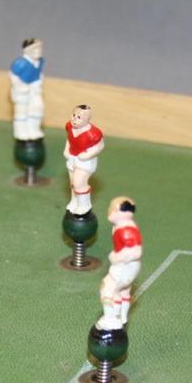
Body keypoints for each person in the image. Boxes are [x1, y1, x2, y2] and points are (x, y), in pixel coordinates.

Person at [96, 198, 142, 330]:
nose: (109, 210)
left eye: (112, 208)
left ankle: (112, 321)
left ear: (121, 212)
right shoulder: (124, 226)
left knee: (108, 289)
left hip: (124, 267)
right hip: (130, 268)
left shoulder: (125, 231)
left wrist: (115, 257)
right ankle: (122, 317)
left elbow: (135, 252)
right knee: (123, 291)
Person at [63, 105, 104, 215]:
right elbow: (69, 138)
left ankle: (84, 205)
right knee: (73, 182)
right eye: (73, 115)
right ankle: (75, 201)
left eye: (79, 117)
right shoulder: (69, 126)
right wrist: (66, 149)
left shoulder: (93, 133)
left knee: (78, 182)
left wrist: (87, 155)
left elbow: (100, 146)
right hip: (72, 158)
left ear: (87, 119)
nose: (74, 119)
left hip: (85, 162)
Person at [9, 38, 44, 141]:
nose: (39, 50)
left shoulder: (40, 61)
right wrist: (20, 86)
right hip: (23, 91)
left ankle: (34, 130)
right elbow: (12, 75)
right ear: (27, 49)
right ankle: (20, 132)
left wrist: (39, 83)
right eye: (35, 48)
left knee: (37, 107)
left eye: (40, 48)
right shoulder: (21, 63)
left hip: (34, 89)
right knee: (22, 112)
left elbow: (39, 73)